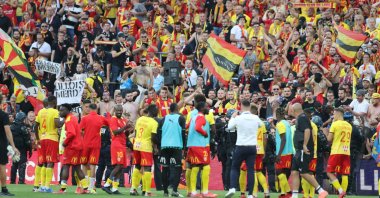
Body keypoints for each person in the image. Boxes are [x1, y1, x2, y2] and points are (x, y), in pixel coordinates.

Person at [289, 103, 328, 198]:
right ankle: (294, 195)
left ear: (294, 111)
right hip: (298, 150)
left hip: (303, 150)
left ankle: (321, 191)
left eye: (291, 111)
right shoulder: (301, 118)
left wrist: (305, 145)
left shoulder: (302, 118)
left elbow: (307, 130)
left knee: (304, 172)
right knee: (294, 171)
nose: (290, 112)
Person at [225, 100, 262, 198]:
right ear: (249, 107)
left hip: (241, 146)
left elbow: (229, 127)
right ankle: (250, 194)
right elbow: (261, 125)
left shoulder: (238, 118)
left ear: (240, 106)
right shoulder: (255, 117)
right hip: (252, 147)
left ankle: (232, 188)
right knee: (251, 170)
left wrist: (232, 117)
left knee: (234, 167)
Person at [57, 103, 89, 194]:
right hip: (78, 146)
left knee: (66, 165)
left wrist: (64, 142)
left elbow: (71, 133)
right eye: (60, 110)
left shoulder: (69, 120)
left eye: (62, 110)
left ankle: (63, 188)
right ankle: (85, 188)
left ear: (67, 111)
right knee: (77, 167)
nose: (60, 112)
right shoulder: (73, 118)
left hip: (72, 147)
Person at [186, 101, 216, 198]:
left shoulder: (193, 117)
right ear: (202, 108)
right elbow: (198, 127)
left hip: (191, 145)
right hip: (199, 145)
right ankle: (205, 192)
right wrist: (205, 133)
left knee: (195, 167)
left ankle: (193, 192)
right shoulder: (201, 117)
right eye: (207, 107)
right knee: (206, 166)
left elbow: (186, 127)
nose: (208, 108)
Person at [102, 104, 133, 194]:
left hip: (123, 144)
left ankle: (115, 188)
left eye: (120, 110)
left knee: (122, 167)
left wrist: (129, 130)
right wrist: (125, 127)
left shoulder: (123, 120)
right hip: (116, 145)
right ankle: (107, 185)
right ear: (115, 111)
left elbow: (124, 134)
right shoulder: (113, 119)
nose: (119, 112)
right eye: (118, 110)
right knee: (118, 165)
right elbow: (115, 132)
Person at [79, 103, 109, 193]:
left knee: (84, 164)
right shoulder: (101, 118)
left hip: (85, 144)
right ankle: (91, 187)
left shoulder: (84, 118)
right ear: (97, 109)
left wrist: (85, 134)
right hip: (96, 144)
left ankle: (84, 186)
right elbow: (108, 124)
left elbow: (80, 130)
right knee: (93, 165)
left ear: (90, 109)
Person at [158, 103, 186, 197]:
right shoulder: (181, 118)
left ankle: (165, 192)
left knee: (165, 168)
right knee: (177, 168)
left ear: (169, 109)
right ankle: (174, 190)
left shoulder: (163, 118)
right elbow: (183, 133)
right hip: (176, 146)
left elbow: (159, 133)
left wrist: (159, 146)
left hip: (164, 146)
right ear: (177, 109)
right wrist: (185, 147)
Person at [130, 104, 159, 196]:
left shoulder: (140, 119)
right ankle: (147, 191)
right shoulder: (154, 122)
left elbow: (135, 132)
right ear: (154, 111)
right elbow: (153, 138)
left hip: (136, 145)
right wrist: (155, 147)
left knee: (137, 166)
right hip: (146, 146)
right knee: (147, 167)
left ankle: (133, 189)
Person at [34, 96, 61, 193]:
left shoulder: (41, 111)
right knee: (50, 162)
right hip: (52, 138)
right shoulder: (54, 111)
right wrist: (63, 119)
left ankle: (39, 186)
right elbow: (58, 124)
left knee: (43, 162)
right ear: (54, 102)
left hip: (42, 138)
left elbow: (35, 126)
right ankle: (46, 186)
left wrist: (38, 139)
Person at [327, 107, 353, 197]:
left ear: (338, 114)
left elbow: (329, 139)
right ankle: (343, 193)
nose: (333, 116)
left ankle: (341, 190)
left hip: (336, 151)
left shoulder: (335, 124)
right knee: (345, 173)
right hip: (346, 152)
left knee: (329, 172)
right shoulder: (349, 125)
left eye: (334, 114)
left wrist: (327, 132)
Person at [0, 108, 20, 196]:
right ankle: (4, 189)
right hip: (1, 143)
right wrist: (13, 146)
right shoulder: (3, 115)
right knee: (2, 166)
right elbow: (7, 131)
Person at [275, 107, 293, 197]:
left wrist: (279, 154)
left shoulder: (280, 124)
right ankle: (283, 193)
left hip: (283, 152)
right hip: (289, 152)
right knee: (284, 173)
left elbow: (283, 139)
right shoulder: (287, 123)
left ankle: (288, 192)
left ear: (277, 114)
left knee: (278, 172)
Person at [10, 112, 32, 184]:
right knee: (22, 164)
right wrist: (30, 150)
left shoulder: (12, 127)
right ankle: (21, 181)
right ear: (22, 119)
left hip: (14, 148)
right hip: (22, 148)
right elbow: (27, 141)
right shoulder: (23, 128)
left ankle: (12, 181)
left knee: (14, 164)